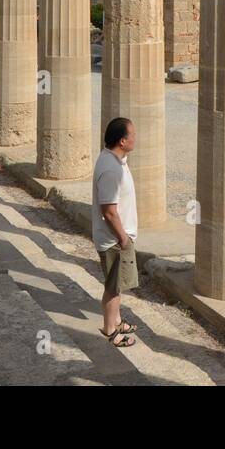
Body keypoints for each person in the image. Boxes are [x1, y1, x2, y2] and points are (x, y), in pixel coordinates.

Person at [93, 117, 140, 348]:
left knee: (118, 284)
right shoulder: (111, 169)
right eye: (132, 134)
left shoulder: (115, 160)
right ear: (122, 141)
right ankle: (111, 330)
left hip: (117, 237)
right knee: (113, 287)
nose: (135, 138)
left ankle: (118, 321)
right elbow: (109, 211)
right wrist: (122, 237)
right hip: (114, 239)